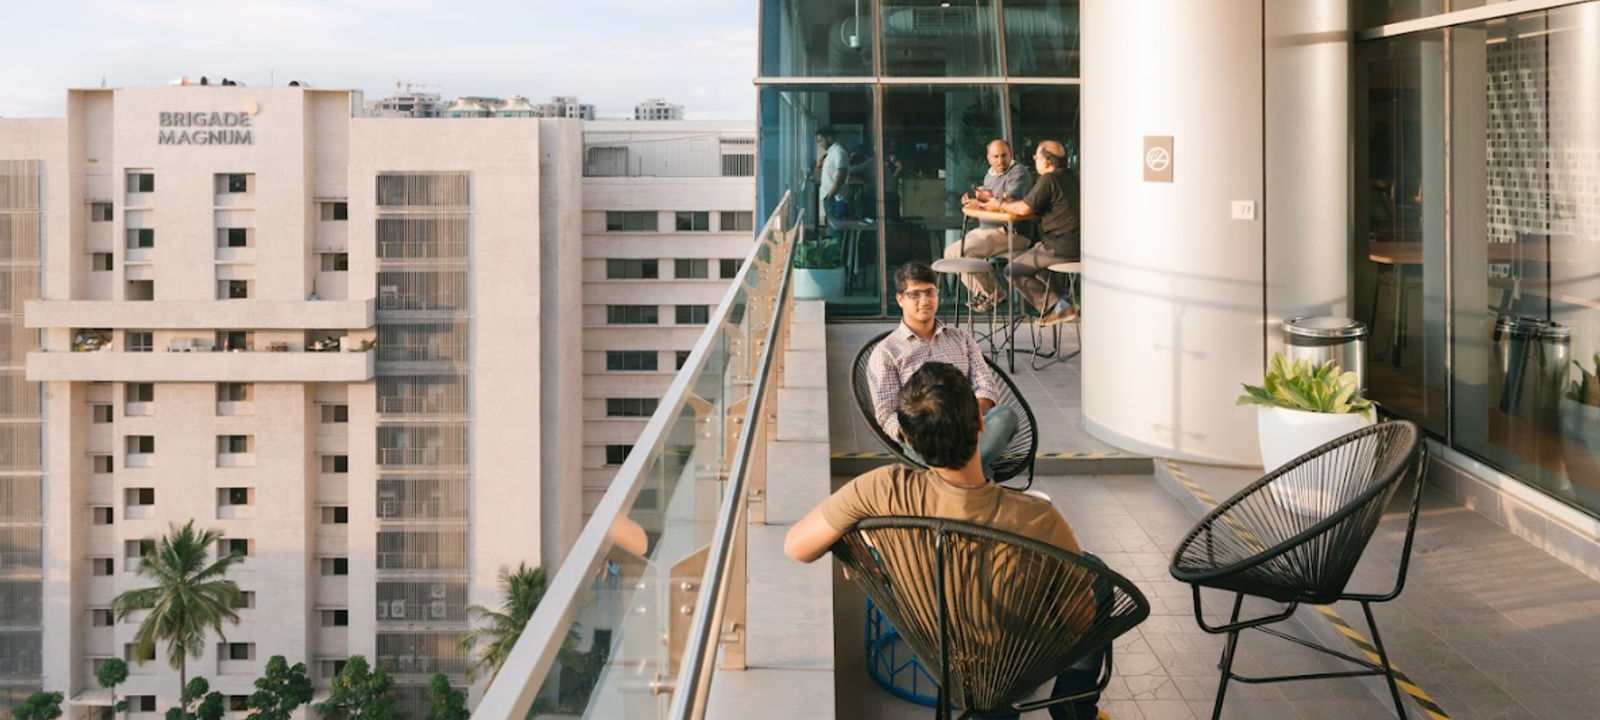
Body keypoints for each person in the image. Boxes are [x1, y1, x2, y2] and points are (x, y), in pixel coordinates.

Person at [785, 362, 1109, 720]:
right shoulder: (1038, 519)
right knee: (1097, 574)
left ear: (909, 441)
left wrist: (856, 546)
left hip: (939, 648)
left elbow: (797, 546)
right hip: (1018, 664)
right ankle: (1074, 711)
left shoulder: (882, 490)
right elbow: (1079, 622)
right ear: (982, 425)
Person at [869, 261, 1018, 476]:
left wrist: (964, 420)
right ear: (900, 299)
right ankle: (975, 478)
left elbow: (986, 386)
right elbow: (885, 413)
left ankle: (955, 480)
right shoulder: (887, 352)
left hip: (968, 429)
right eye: (915, 294)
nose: (925, 300)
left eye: (930, 292)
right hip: (923, 436)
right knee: (977, 466)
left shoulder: (961, 339)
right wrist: (914, 433)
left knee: (1006, 416)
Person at [975, 140, 1080, 326]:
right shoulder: (1072, 176)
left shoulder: (1049, 179)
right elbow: (1036, 203)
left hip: (1059, 248)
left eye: (1037, 157)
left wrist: (998, 204)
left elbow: (1024, 208)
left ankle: (1057, 307)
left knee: (1012, 269)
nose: (1035, 160)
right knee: (1033, 259)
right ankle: (1064, 302)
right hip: (1078, 246)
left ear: (1046, 161)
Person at [952, 139, 1034, 310]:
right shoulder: (990, 175)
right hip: (987, 230)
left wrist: (981, 205)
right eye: (995, 156)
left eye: (1004, 155)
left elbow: (1007, 203)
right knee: (950, 253)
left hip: (1011, 232)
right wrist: (974, 201)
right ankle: (985, 293)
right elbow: (990, 200)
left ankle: (995, 295)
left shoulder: (1018, 173)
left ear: (1011, 154)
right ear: (988, 158)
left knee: (963, 251)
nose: (1000, 161)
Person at [815, 126, 850, 222]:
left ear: (829, 137)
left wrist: (830, 195)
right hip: (830, 197)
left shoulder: (839, 152)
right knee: (832, 228)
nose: (820, 144)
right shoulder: (831, 153)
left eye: (821, 140)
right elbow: (832, 175)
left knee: (836, 229)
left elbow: (841, 175)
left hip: (835, 198)